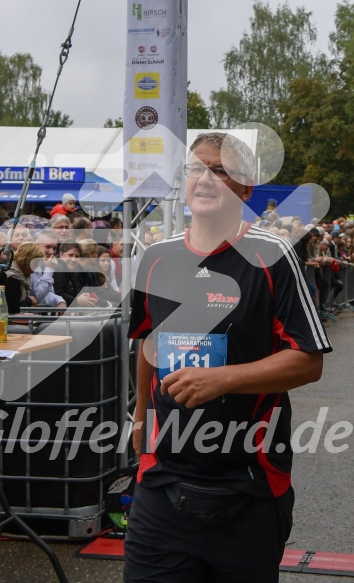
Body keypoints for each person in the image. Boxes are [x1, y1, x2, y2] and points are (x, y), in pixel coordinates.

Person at [124, 132, 332, 583]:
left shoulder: (273, 257)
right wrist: (139, 419)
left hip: (248, 485)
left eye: (219, 170)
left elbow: (308, 360)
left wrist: (221, 380)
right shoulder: (156, 258)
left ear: (245, 189)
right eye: (196, 169)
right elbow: (147, 342)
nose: (204, 179)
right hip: (162, 481)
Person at [30, 230, 67, 309]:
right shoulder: (30, 263)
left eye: (54, 248)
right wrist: (49, 269)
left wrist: (60, 301)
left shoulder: (40, 264)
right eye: (47, 247)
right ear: (36, 245)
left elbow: (47, 294)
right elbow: (39, 296)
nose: (52, 252)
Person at [5, 242, 43, 313]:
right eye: (36, 263)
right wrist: (29, 301)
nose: (37, 266)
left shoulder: (26, 275)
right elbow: (12, 308)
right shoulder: (12, 278)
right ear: (27, 261)